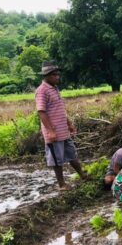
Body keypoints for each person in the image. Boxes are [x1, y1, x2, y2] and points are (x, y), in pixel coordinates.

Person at [35, 61, 87, 191]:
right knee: (57, 160)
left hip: (63, 131)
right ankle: (62, 184)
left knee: (71, 154)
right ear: (46, 76)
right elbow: (41, 112)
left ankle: (83, 175)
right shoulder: (42, 91)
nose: (57, 77)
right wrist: (50, 131)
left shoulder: (55, 89)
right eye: (54, 75)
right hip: (53, 133)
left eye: (58, 74)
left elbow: (60, 110)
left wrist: (69, 124)